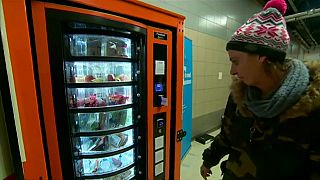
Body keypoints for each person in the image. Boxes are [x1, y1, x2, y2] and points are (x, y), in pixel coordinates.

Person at [200, 0, 320, 179]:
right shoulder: (240, 96)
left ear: (262, 57)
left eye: (236, 61)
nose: (232, 71)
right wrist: (209, 159)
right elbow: (227, 134)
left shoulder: (312, 106)